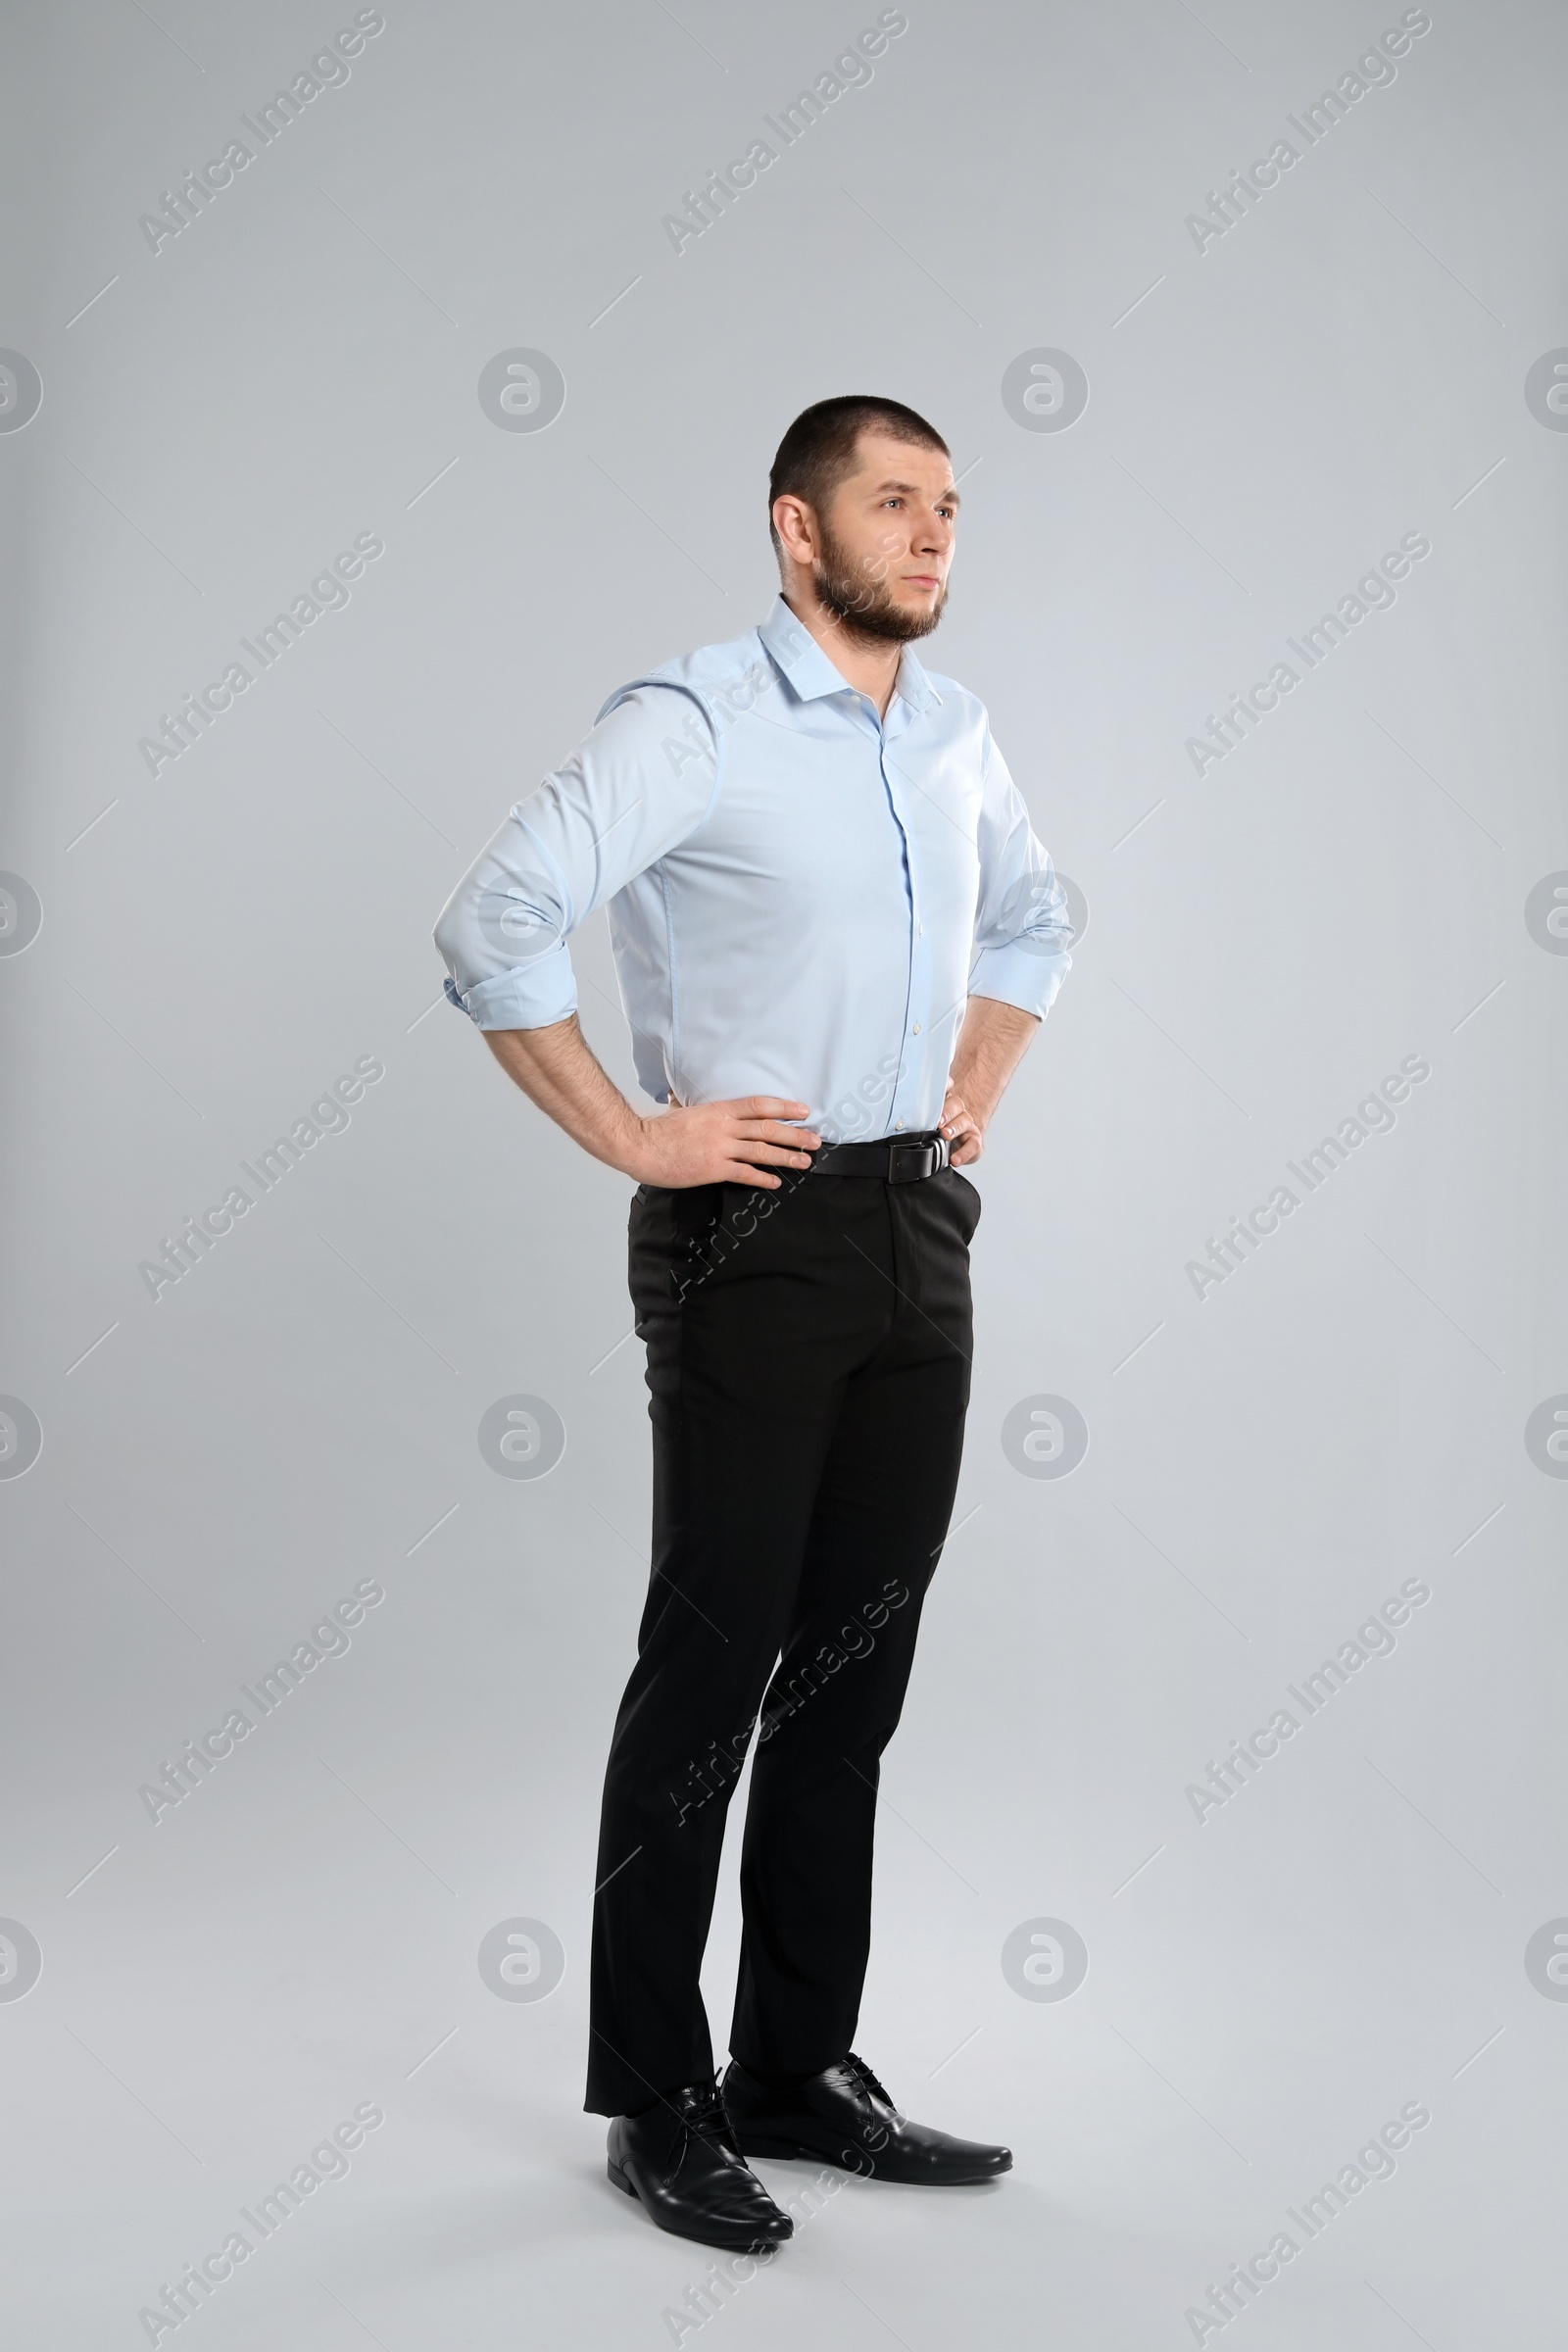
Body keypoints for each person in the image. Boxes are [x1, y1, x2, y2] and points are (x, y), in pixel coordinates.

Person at [433, 395, 1073, 2250]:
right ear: (798, 531)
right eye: (896, 503)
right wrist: (639, 1133)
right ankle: (656, 2094)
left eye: (949, 506)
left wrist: (976, 1080)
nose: (934, 534)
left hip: (913, 1228)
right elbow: (496, 920)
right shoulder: (696, 719)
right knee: (710, 1678)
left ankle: (799, 2072)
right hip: (750, 1237)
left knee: (851, 1681)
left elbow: (1031, 922)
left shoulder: (954, 732)